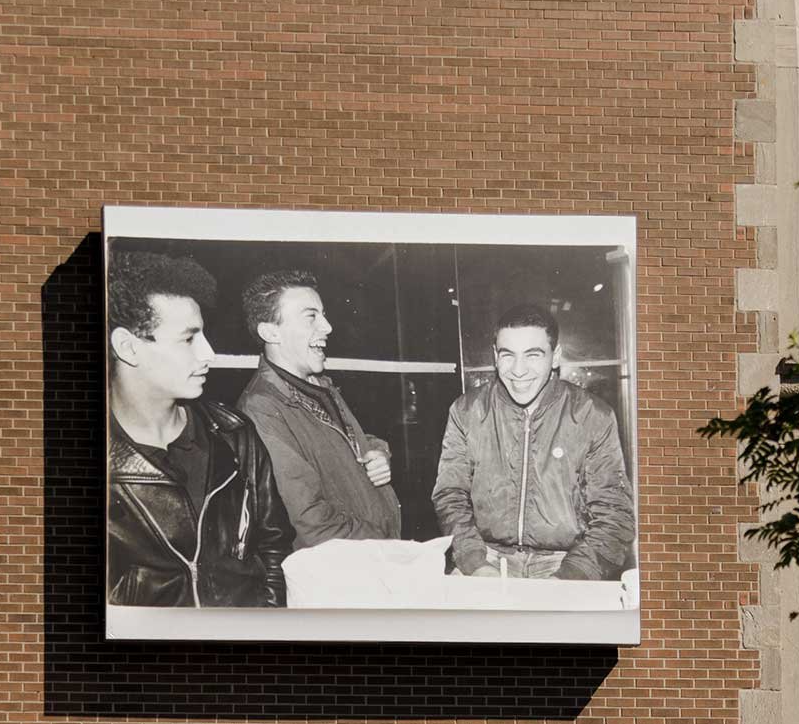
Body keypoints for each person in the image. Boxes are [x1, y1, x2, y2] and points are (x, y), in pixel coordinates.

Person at [105, 247, 293, 607]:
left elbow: (274, 547)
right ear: (128, 347)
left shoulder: (234, 434)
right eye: (189, 339)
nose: (208, 354)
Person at [431, 302, 634, 581]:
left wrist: (570, 577)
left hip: (567, 561)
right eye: (508, 355)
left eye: (533, 355)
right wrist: (474, 562)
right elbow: (450, 496)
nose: (518, 370)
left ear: (555, 357)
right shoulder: (466, 411)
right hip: (485, 555)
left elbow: (614, 515)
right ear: (495, 356)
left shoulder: (593, 416)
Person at [235, 269, 401, 551]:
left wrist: (378, 451)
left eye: (322, 314)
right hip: (345, 571)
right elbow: (312, 522)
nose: (327, 327)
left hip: (370, 558)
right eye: (311, 316)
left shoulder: (318, 384)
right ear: (270, 331)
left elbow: (341, 444)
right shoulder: (262, 408)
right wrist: (389, 547)